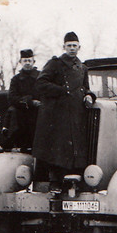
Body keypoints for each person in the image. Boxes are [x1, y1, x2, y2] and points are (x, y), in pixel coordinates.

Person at [32, 32, 96, 188]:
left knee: (75, 148)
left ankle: (74, 181)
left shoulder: (82, 68)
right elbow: (41, 83)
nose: (72, 49)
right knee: (58, 150)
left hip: (76, 113)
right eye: (69, 46)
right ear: (64, 47)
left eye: (75, 45)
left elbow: (85, 88)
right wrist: (62, 91)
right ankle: (55, 181)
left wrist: (89, 96)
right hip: (58, 115)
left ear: (79, 47)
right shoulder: (55, 64)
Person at [1, 49, 40, 152]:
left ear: (33, 62)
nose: (27, 63)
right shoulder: (16, 79)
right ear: (20, 62)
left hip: (38, 112)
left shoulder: (41, 77)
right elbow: (12, 98)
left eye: (29, 60)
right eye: (25, 61)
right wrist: (29, 101)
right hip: (22, 112)